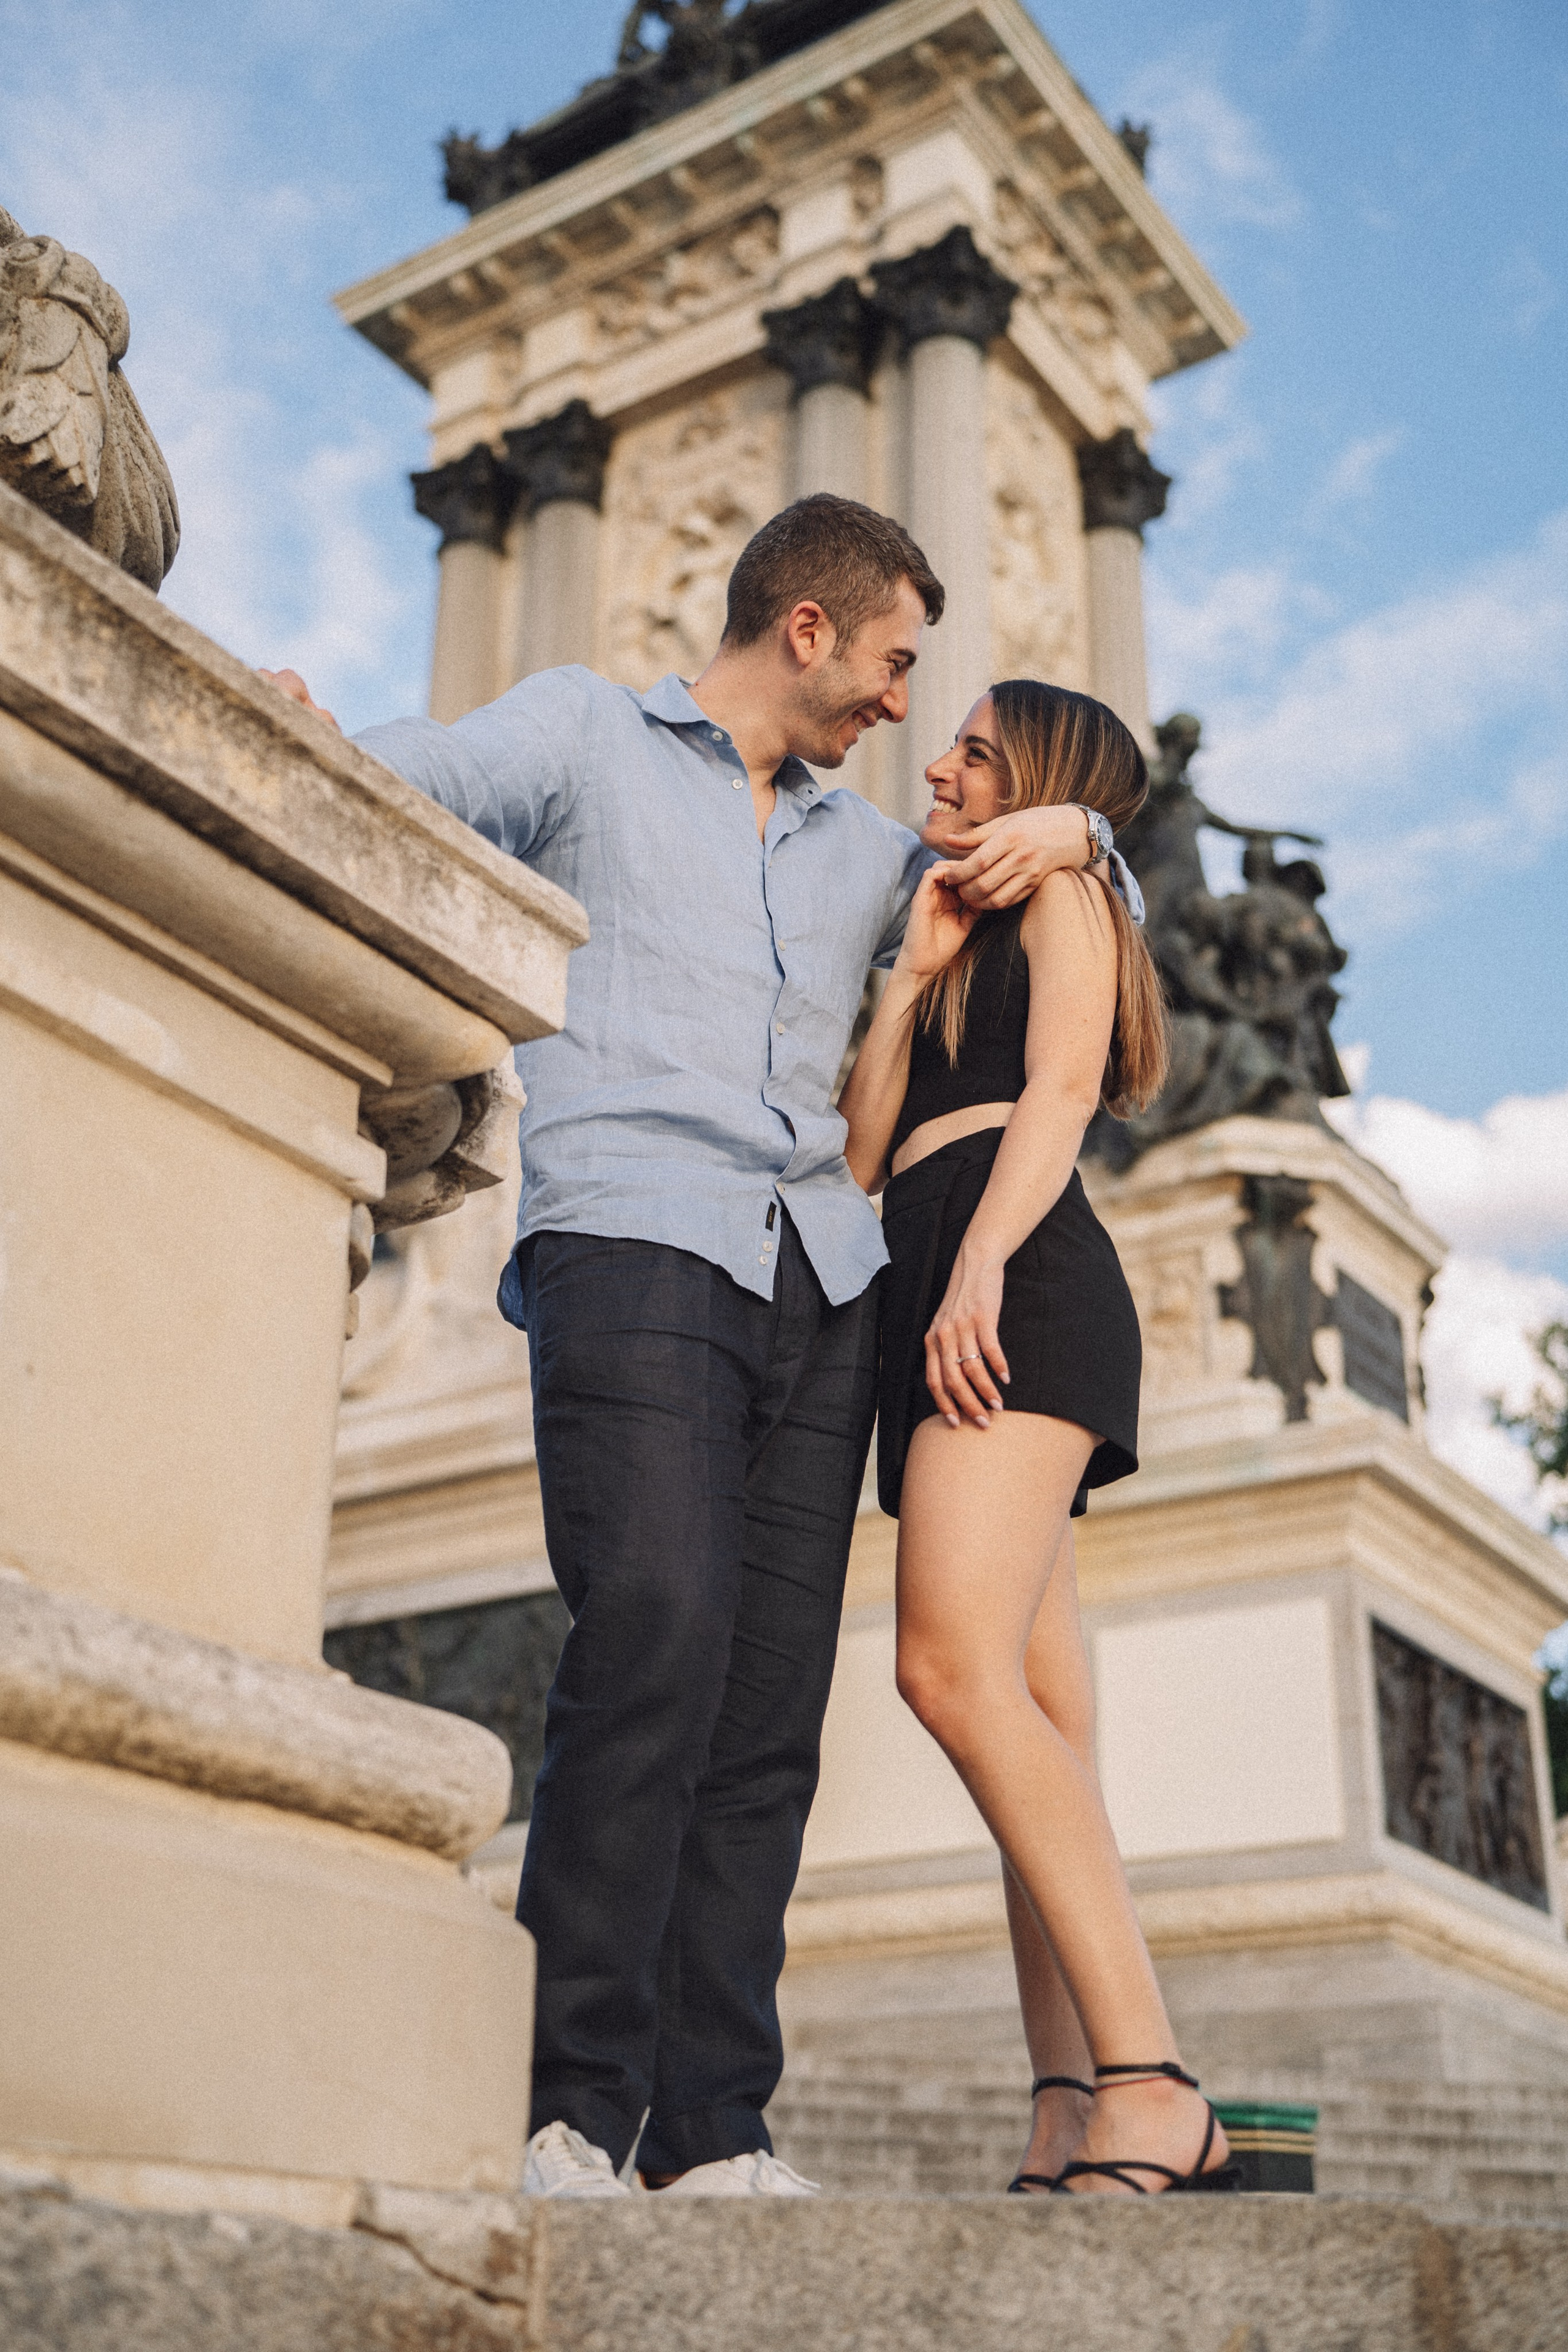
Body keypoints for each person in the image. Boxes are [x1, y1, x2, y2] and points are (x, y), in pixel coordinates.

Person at [260, 496, 1104, 2199]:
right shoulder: (584, 732)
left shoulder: (872, 851)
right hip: (632, 1240)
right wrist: (303, 726)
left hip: (826, 1280)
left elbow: (1058, 893)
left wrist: (1082, 829)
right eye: (888, 664)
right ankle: (566, 2105)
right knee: (653, 1630)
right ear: (807, 628)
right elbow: (399, 784)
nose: (897, 706)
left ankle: (713, 2122)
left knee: (770, 1707)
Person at [839, 678, 1240, 2195]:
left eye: (975, 753)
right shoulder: (945, 929)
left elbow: (1064, 1087)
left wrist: (983, 1266)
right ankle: (1067, 2101)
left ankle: (1149, 2084)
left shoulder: (1070, 886)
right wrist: (902, 984)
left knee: (943, 1668)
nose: (936, 766)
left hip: (1013, 1276)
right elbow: (867, 1152)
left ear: (1044, 783)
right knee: (1037, 1728)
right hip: (935, 1255)